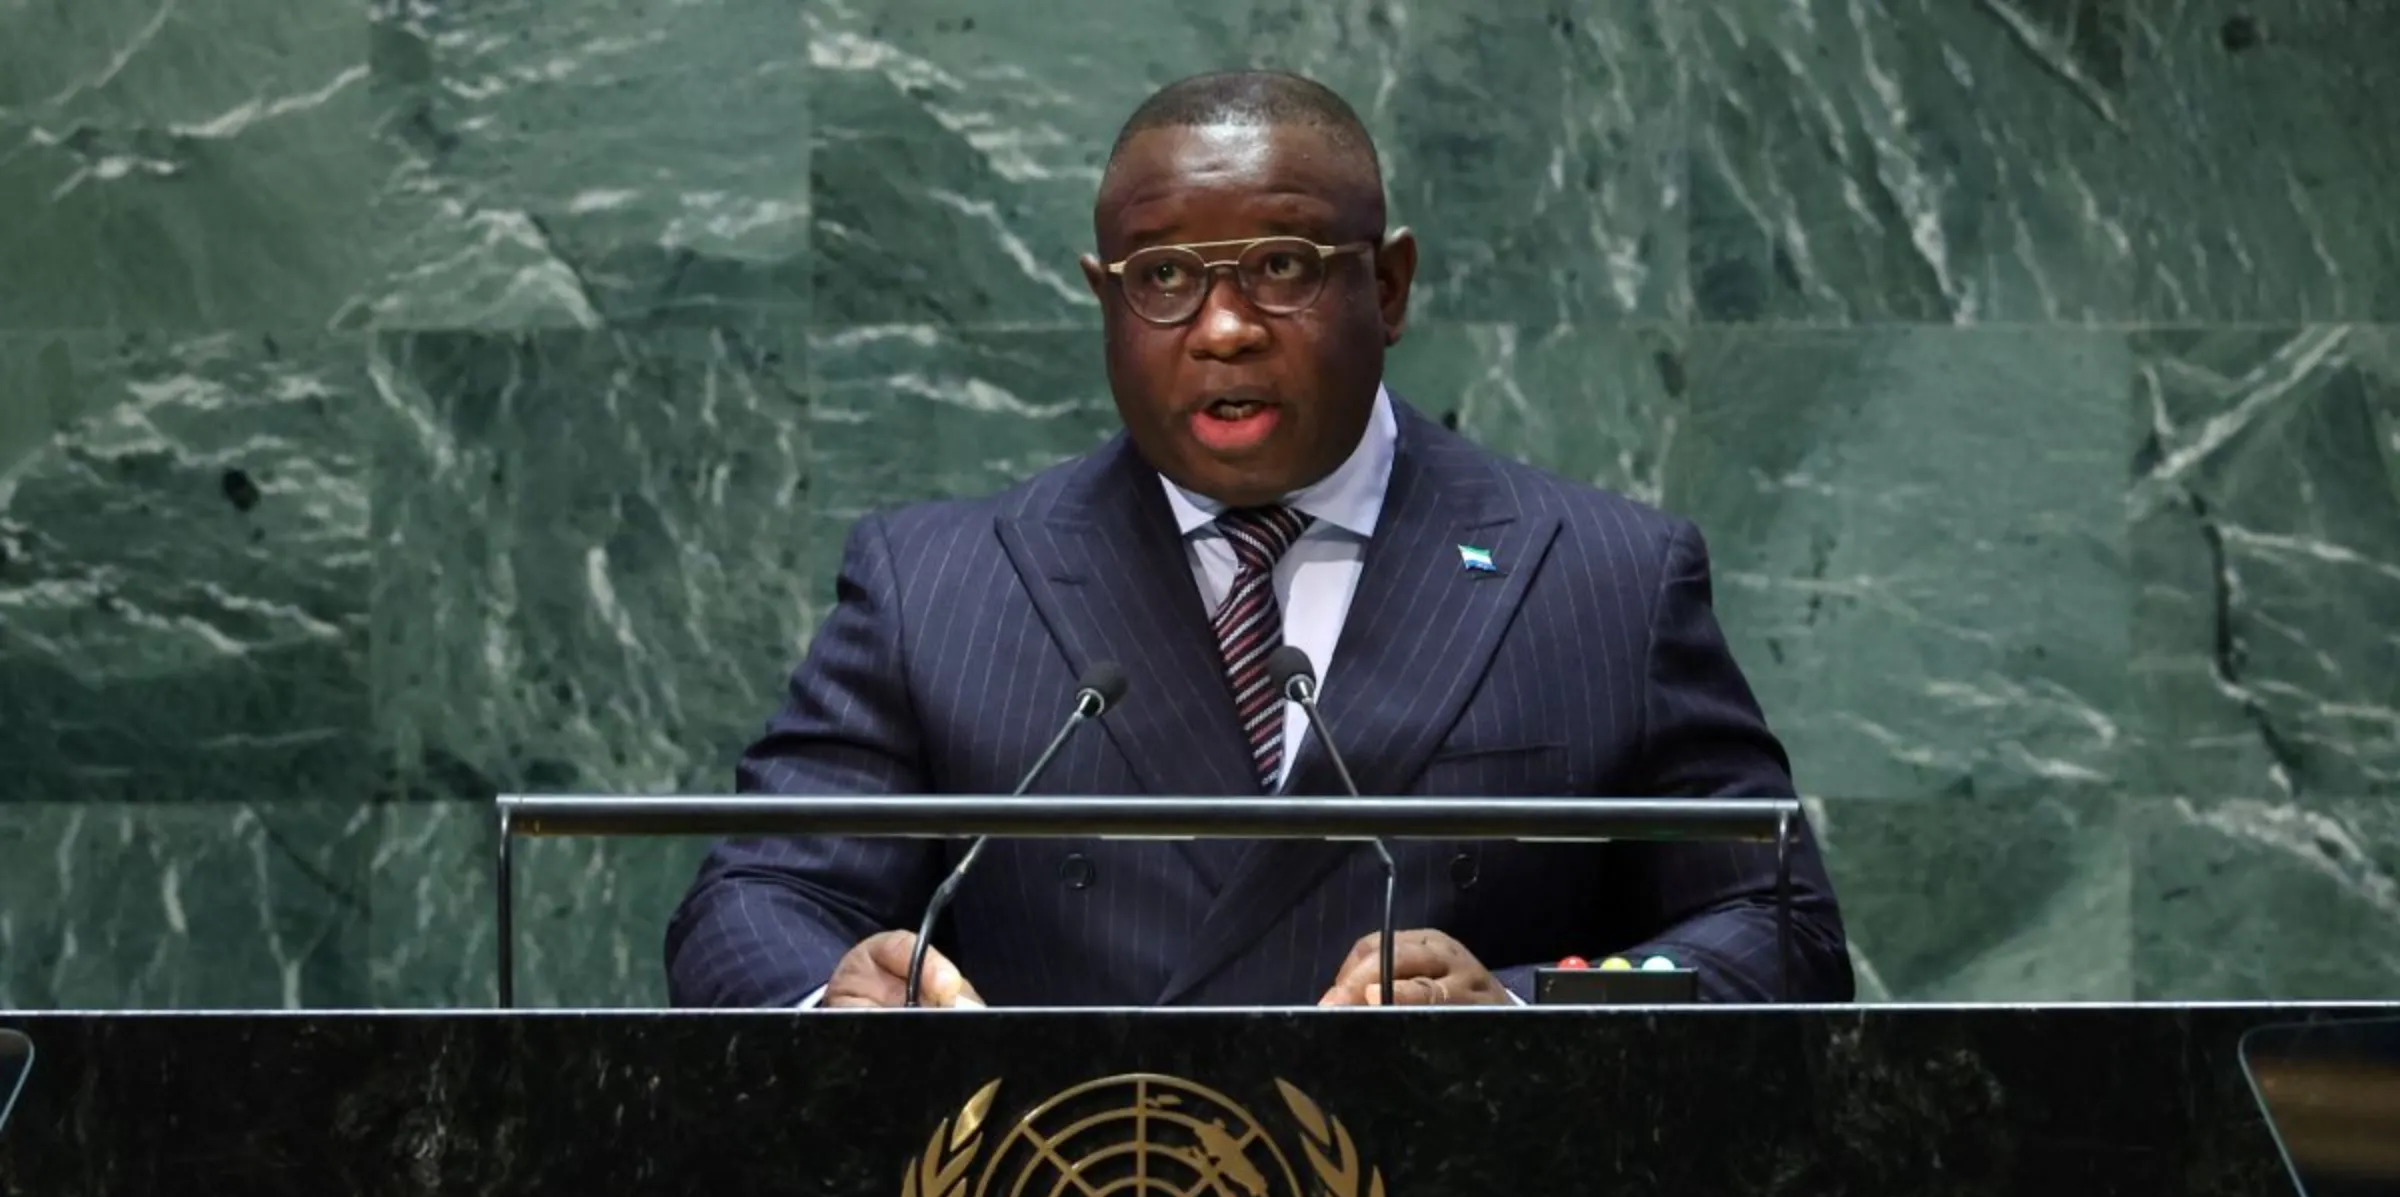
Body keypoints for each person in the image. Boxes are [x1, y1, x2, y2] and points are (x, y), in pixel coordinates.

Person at [666, 70, 1851, 1010]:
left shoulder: (1606, 581)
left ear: (1388, 288)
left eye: (1282, 266)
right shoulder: (937, 590)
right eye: (1165, 276)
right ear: (1105, 302)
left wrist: (1523, 1012)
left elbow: (1780, 931)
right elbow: (752, 903)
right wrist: (840, 1000)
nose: (1225, 327)